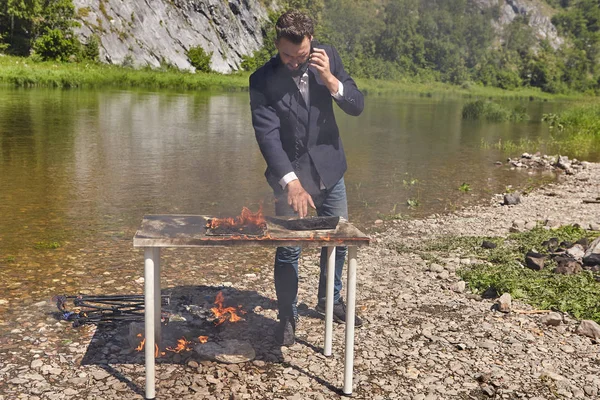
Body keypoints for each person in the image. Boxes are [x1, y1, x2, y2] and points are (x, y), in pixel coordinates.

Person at [249, 10, 364, 346]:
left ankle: (330, 300)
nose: (294, 62)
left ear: (311, 43)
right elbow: (267, 136)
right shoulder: (261, 79)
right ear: (277, 44)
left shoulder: (328, 58)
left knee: (337, 241)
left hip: (330, 169)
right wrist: (292, 182)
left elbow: (356, 105)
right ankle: (287, 315)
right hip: (289, 175)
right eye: (287, 55)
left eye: (301, 56)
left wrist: (331, 80)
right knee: (288, 249)